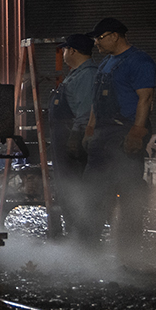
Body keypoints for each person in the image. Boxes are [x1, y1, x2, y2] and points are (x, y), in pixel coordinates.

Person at [77, 16, 156, 254]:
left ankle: (128, 252)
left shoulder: (139, 61)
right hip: (103, 133)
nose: (97, 44)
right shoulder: (105, 64)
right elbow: (95, 101)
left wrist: (137, 133)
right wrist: (90, 129)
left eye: (99, 39)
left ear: (114, 36)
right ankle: (87, 249)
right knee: (93, 191)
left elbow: (146, 98)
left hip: (125, 131)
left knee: (130, 191)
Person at [46, 32, 98, 237]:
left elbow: (86, 110)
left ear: (73, 50)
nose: (64, 53)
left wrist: (76, 137)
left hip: (72, 141)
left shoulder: (87, 75)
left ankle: (82, 238)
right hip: (65, 140)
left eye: (65, 49)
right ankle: (76, 236)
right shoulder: (76, 74)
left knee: (76, 189)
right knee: (68, 190)